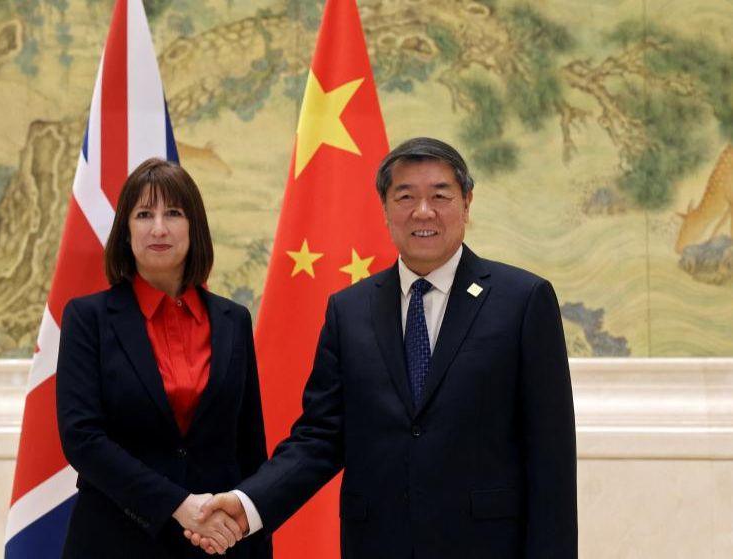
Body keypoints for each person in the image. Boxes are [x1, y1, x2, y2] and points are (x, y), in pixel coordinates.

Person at [188, 137, 578, 558]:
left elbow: (550, 459)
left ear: (466, 204)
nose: (422, 211)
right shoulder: (350, 310)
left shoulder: (522, 301)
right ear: (385, 210)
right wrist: (248, 505)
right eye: (405, 196)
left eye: (440, 195)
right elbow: (320, 438)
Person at [56, 158, 272, 558]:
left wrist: (255, 541)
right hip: (115, 540)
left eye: (173, 212)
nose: (159, 227)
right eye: (144, 214)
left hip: (218, 544)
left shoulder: (233, 321)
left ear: (194, 228)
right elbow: (82, 439)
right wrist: (179, 505)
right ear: (125, 231)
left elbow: (249, 450)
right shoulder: (88, 318)